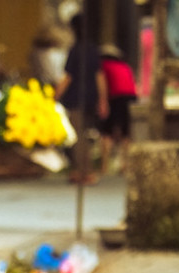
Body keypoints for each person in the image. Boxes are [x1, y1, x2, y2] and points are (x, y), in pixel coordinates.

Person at [56, 13, 105, 185]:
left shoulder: (75, 50)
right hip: (90, 97)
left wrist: (56, 94)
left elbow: (68, 77)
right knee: (83, 133)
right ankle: (83, 170)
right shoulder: (93, 49)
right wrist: (102, 99)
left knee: (78, 136)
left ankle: (85, 171)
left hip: (76, 97)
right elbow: (100, 76)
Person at [97, 44, 137, 175]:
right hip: (130, 97)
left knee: (106, 132)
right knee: (126, 132)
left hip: (115, 97)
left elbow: (102, 84)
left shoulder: (103, 65)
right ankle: (125, 165)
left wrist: (102, 101)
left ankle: (104, 166)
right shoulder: (125, 66)